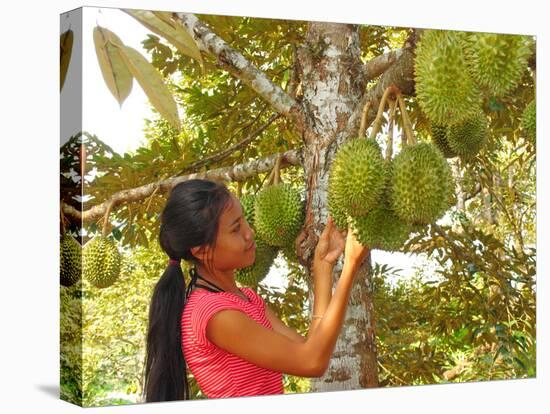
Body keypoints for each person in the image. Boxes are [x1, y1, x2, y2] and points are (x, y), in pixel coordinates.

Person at [143, 178, 369, 402]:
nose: (249, 233)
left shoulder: (246, 299)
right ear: (201, 251)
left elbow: (311, 348)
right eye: (235, 229)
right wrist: (349, 266)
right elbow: (312, 362)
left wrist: (323, 267)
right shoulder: (214, 314)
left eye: (244, 220)